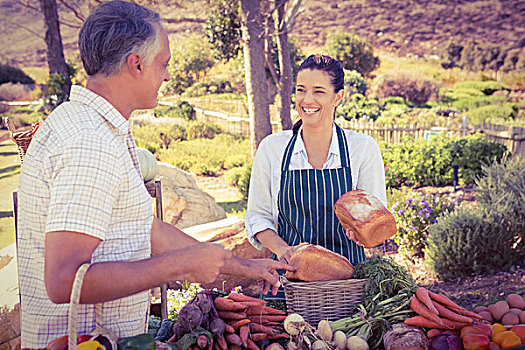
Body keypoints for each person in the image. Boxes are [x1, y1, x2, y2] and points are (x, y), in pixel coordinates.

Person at [16, 1, 293, 348]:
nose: (166, 75)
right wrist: (177, 266)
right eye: (164, 64)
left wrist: (240, 267)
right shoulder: (89, 144)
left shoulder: (101, 129)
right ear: (136, 64)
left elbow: (146, 231)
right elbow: (63, 281)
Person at [245, 54, 387, 268]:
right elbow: (258, 217)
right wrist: (283, 251)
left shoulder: (362, 148)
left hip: (348, 282)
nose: (307, 100)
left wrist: (363, 235)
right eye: (301, 90)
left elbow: (375, 219)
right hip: (288, 278)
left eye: (318, 91)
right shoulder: (272, 148)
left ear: (338, 97)